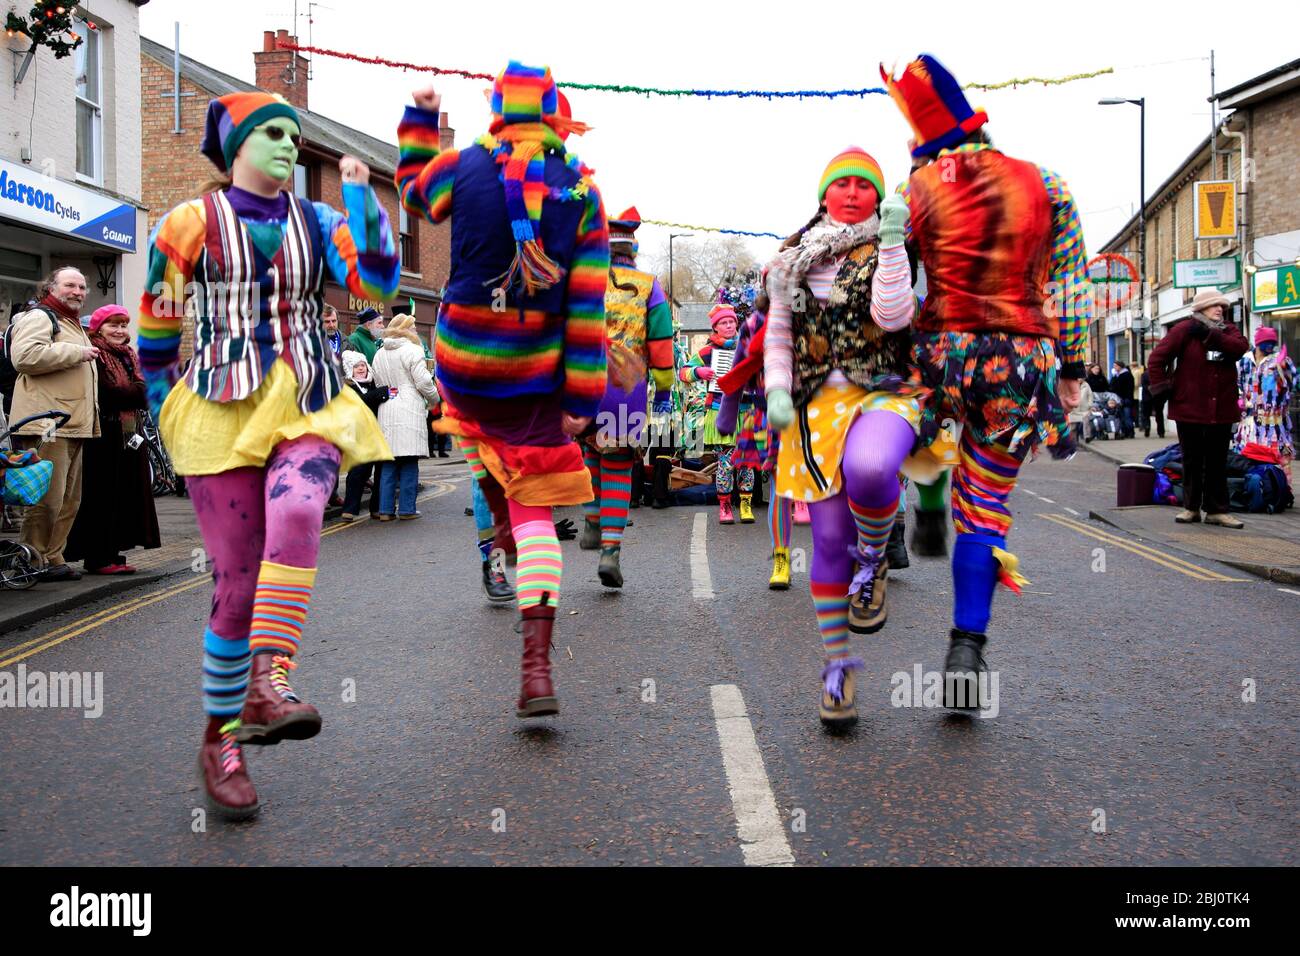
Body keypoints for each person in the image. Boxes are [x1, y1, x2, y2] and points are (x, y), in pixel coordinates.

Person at [138, 90, 399, 819]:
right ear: (236, 149)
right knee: (235, 585)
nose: (289, 146)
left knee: (301, 511)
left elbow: (377, 283)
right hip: (219, 404)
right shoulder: (188, 223)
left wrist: (363, 198)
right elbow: (157, 325)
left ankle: (268, 679)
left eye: (294, 135)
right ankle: (221, 739)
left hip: (307, 396)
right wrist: (164, 404)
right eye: (274, 134)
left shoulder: (320, 220)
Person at [396, 62, 608, 720]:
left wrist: (423, 119)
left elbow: (413, 193)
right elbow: (585, 307)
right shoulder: (580, 190)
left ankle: (507, 537)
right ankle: (536, 669)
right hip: (534, 372)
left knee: (485, 450)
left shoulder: (463, 167)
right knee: (537, 504)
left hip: (463, 361)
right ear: (556, 116)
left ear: (495, 112)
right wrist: (582, 400)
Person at [882, 53, 1088, 706]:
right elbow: (1073, 289)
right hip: (1019, 366)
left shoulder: (914, 192)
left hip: (941, 356)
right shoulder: (1047, 184)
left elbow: (888, 285)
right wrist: (1074, 370)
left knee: (920, 438)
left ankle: (929, 499)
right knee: (989, 504)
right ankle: (967, 644)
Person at [764, 146, 941, 727]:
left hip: (884, 389)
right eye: (839, 183)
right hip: (816, 406)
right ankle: (838, 670)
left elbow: (893, 316)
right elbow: (779, 333)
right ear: (822, 194)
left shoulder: (892, 244)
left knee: (871, 467)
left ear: (877, 194)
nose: (850, 192)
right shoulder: (791, 261)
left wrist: (892, 239)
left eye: (863, 184)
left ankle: (876, 562)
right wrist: (777, 391)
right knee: (828, 541)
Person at [578, 207, 673, 588]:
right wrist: (664, 386)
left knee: (588, 448)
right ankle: (610, 551)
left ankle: (591, 515)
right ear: (631, 248)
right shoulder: (650, 285)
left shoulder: (582, 281)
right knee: (617, 462)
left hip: (582, 383)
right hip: (625, 390)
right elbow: (662, 344)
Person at [8, 266, 100, 581]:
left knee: (68, 500)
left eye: (82, 287)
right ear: (52, 288)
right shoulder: (40, 317)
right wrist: (76, 352)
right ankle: (31, 561)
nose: (77, 292)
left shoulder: (71, 323)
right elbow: (25, 357)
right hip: (46, 424)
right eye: (70, 285)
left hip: (72, 423)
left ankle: (51, 557)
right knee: (46, 499)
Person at [63, 304, 161, 574]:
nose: (119, 331)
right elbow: (111, 393)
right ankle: (98, 557)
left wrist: (137, 390)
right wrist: (138, 390)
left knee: (125, 495)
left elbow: (144, 393)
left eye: (122, 325)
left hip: (128, 432)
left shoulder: (128, 355)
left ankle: (114, 552)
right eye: (112, 325)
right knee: (101, 496)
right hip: (102, 435)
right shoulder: (94, 355)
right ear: (98, 328)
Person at [716, 280, 796, 589]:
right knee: (780, 487)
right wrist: (727, 412)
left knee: (825, 488)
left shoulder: (816, 315)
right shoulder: (755, 324)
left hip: (814, 413)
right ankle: (781, 559)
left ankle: (842, 559)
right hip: (769, 413)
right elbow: (740, 367)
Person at [1146, 289, 1249, 528]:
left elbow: (1240, 348)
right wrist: (1163, 388)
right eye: (1214, 306)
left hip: (1221, 410)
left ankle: (1217, 511)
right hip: (1190, 408)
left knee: (1217, 462)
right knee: (1192, 461)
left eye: (1222, 307)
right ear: (1201, 308)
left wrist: (1211, 336)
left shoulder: (1229, 331)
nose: (1219, 310)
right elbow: (1157, 359)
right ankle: (1190, 508)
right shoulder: (1184, 330)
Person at [681, 305, 752, 524]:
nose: (729, 325)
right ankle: (725, 506)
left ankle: (746, 504)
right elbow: (683, 372)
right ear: (715, 327)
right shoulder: (708, 351)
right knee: (725, 462)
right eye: (724, 323)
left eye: (731, 322)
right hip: (720, 411)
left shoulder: (748, 345)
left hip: (746, 411)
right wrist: (698, 372)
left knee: (747, 461)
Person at [371, 314, 438, 519]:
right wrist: (434, 399)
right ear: (405, 329)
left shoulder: (379, 353)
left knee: (389, 463)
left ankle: (385, 510)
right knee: (409, 460)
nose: (416, 330)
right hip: (409, 408)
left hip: (387, 407)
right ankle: (407, 509)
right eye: (413, 327)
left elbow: (377, 382)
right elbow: (424, 382)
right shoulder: (413, 350)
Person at [1235, 326, 1295, 483]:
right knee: (1249, 455)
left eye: (1272, 343)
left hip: (1276, 422)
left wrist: (1283, 371)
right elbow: (1237, 384)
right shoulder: (1244, 362)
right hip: (1250, 422)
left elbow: (1292, 383)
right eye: (1267, 342)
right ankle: (1254, 487)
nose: (1270, 346)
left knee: (1281, 454)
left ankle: (1283, 488)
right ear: (1258, 343)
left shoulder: (1281, 361)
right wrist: (1240, 399)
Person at [338, 349, 389, 520]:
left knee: (381, 472)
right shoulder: (347, 387)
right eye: (356, 366)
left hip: (379, 433)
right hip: (358, 435)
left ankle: (377, 508)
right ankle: (349, 509)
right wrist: (377, 395)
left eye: (363, 365)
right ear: (349, 369)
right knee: (358, 472)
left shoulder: (373, 384)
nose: (361, 369)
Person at [1139, 364, 1166, 439]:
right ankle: (1161, 432)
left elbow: (1144, 386)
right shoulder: (1160, 374)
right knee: (1159, 415)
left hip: (1147, 398)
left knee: (1146, 415)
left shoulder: (1144, 374)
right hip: (1157, 397)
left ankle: (1147, 428)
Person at [1110, 359, 1135, 438]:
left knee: (1127, 415)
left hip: (1126, 398)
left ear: (1120, 366)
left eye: (1116, 366)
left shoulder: (1127, 374)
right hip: (1117, 399)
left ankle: (1131, 431)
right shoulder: (1116, 375)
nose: (1114, 367)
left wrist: (1127, 398)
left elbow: (1130, 388)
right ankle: (1124, 432)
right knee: (1121, 416)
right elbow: (1112, 386)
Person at [1069, 376, 1095, 444]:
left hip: (1084, 408)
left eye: (1082, 378)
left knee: (1086, 422)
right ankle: (1073, 440)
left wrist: (1089, 404)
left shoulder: (1086, 385)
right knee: (1073, 426)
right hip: (1074, 408)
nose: (1080, 379)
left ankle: (1087, 437)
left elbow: (1090, 395)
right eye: (1078, 378)